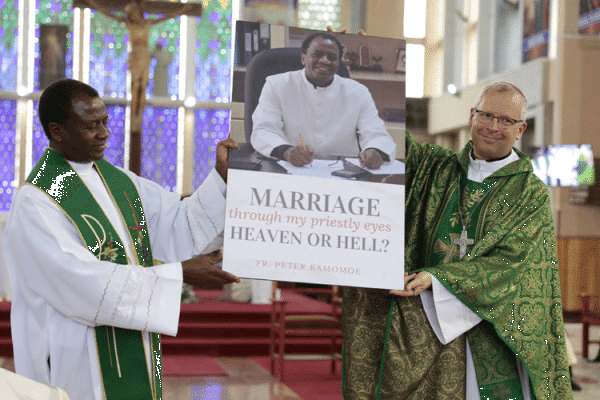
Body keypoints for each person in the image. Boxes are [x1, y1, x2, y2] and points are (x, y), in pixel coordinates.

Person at [4, 79, 239, 400]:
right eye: (91, 125)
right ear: (56, 132)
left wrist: (221, 180)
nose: (104, 133)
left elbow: (178, 225)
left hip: (127, 348)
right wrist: (179, 274)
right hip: (73, 358)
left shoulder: (118, 182)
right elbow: (79, 283)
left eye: (104, 122)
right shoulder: (37, 201)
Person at [342, 82, 572, 399]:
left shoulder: (529, 193)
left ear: (521, 130)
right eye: (486, 115)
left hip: (492, 338)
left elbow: (515, 265)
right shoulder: (434, 167)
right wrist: (352, 77)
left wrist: (438, 278)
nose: (493, 126)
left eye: (505, 120)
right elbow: (389, 140)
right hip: (424, 331)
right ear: (471, 116)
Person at [250, 32, 396, 170]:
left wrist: (375, 151)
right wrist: (286, 151)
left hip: (344, 172)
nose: (325, 61)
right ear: (303, 58)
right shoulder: (277, 84)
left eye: (332, 57)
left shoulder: (359, 92)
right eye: (317, 54)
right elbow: (263, 130)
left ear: (338, 63)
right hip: (289, 169)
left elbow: (376, 134)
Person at [86, 0, 193, 131]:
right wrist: (92, 3)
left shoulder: (148, 23)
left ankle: (138, 116)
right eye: (129, 14)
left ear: (138, 12)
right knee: (135, 85)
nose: (131, 16)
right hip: (134, 57)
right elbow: (107, 13)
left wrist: (184, 10)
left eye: (132, 13)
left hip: (144, 57)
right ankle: (134, 115)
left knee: (142, 86)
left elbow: (167, 16)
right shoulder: (128, 23)